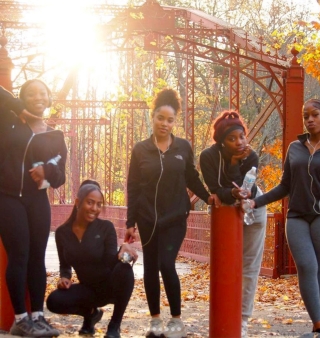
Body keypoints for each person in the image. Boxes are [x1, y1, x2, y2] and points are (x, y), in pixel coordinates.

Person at [124, 88, 220, 338]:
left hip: (175, 217)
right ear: (152, 117)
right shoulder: (141, 149)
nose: (164, 124)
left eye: (170, 120)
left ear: (174, 122)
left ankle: (176, 320)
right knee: (150, 267)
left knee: (166, 264)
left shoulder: (183, 147)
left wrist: (209, 196)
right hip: (147, 218)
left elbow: (191, 177)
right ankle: (155, 321)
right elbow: (133, 186)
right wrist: (130, 222)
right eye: (160, 118)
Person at [248, 99, 320, 338]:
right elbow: (284, 186)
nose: (309, 119)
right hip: (297, 216)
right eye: (305, 115)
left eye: (315, 114)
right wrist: (256, 201)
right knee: (307, 267)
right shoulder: (294, 148)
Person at [0, 79, 67, 337]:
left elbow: (60, 177)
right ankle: (20, 319)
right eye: (30, 94)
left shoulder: (55, 135)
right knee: (19, 256)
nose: (37, 97)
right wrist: (19, 108)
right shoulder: (9, 122)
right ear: (22, 98)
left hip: (38, 200)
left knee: (37, 258)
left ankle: (38, 317)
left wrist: (46, 171)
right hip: (8, 198)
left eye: (42, 93)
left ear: (49, 98)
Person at [199, 110, 267, 338]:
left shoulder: (252, 156)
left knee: (249, 267)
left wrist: (238, 163)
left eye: (242, 136)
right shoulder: (208, 157)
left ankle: (242, 322)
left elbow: (247, 189)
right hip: (226, 213)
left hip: (252, 211)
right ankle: (224, 319)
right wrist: (233, 163)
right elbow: (217, 190)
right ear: (221, 141)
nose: (239, 142)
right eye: (232, 138)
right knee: (227, 266)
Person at [46, 180, 137, 338]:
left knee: (125, 269)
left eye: (99, 204)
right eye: (90, 202)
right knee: (53, 301)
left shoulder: (106, 227)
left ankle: (114, 326)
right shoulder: (62, 233)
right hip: (87, 290)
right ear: (77, 202)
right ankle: (91, 314)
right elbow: (64, 265)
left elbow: (111, 261)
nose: (94, 209)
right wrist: (65, 278)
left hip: (109, 287)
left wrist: (124, 251)